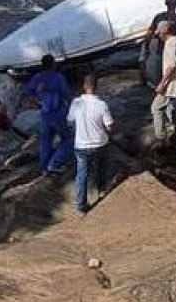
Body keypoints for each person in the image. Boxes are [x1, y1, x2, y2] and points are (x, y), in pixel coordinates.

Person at [68, 74, 114, 214]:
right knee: (101, 166)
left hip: (81, 145)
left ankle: (81, 206)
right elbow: (110, 125)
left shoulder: (76, 103)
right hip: (99, 143)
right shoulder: (101, 105)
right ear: (96, 87)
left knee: (82, 174)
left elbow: (69, 121)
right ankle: (101, 189)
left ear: (84, 86)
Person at [20, 55, 73, 175]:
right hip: (58, 114)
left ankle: (43, 167)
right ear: (53, 64)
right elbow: (67, 95)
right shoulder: (58, 78)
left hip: (44, 114)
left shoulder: (37, 78)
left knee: (46, 141)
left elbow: (28, 92)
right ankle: (54, 163)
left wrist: (37, 102)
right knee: (67, 140)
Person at [151, 18, 176, 144]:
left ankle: (161, 137)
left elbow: (171, 66)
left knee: (156, 107)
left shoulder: (170, 44)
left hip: (171, 84)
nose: (159, 36)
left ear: (165, 31)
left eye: (159, 33)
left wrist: (162, 84)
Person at [140, 0, 176, 81]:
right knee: (173, 75)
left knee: (160, 75)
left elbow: (149, 33)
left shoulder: (159, 17)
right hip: (175, 51)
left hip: (161, 51)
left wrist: (145, 48)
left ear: (166, 3)